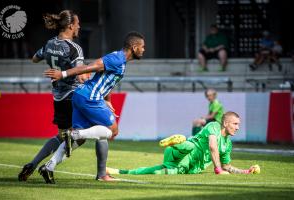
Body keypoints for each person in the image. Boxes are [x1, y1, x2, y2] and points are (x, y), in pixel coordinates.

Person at [40, 31, 145, 183]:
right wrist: (63, 74)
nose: (144, 50)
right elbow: (90, 67)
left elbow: (108, 81)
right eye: (142, 47)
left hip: (81, 96)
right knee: (113, 131)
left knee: (80, 139)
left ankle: (49, 167)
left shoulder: (120, 61)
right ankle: (76, 136)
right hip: (90, 98)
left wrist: (107, 100)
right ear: (134, 47)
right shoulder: (116, 58)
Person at [18, 10, 91, 182]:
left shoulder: (49, 43)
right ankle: (49, 166)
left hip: (58, 97)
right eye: (77, 23)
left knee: (60, 136)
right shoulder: (75, 48)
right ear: (71, 25)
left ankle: (33, 164)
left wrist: (53, 61)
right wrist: (89, 69)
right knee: (83, 136)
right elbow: (80, 74)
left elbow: (35, 58)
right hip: (73, 96)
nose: (79, 26)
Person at [106, 112, 261, 175]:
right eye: (235, 124)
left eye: (238, 124)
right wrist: (217, 169)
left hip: (187, 166)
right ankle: (176, 142)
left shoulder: (228, 145)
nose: (237, 127)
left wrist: (245, 172)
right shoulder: (213, 126)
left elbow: (227, 166)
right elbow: (213, 146)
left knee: (158, 172)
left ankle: (121, 172)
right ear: (225, 123)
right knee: (190, 145)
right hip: (182, 152)